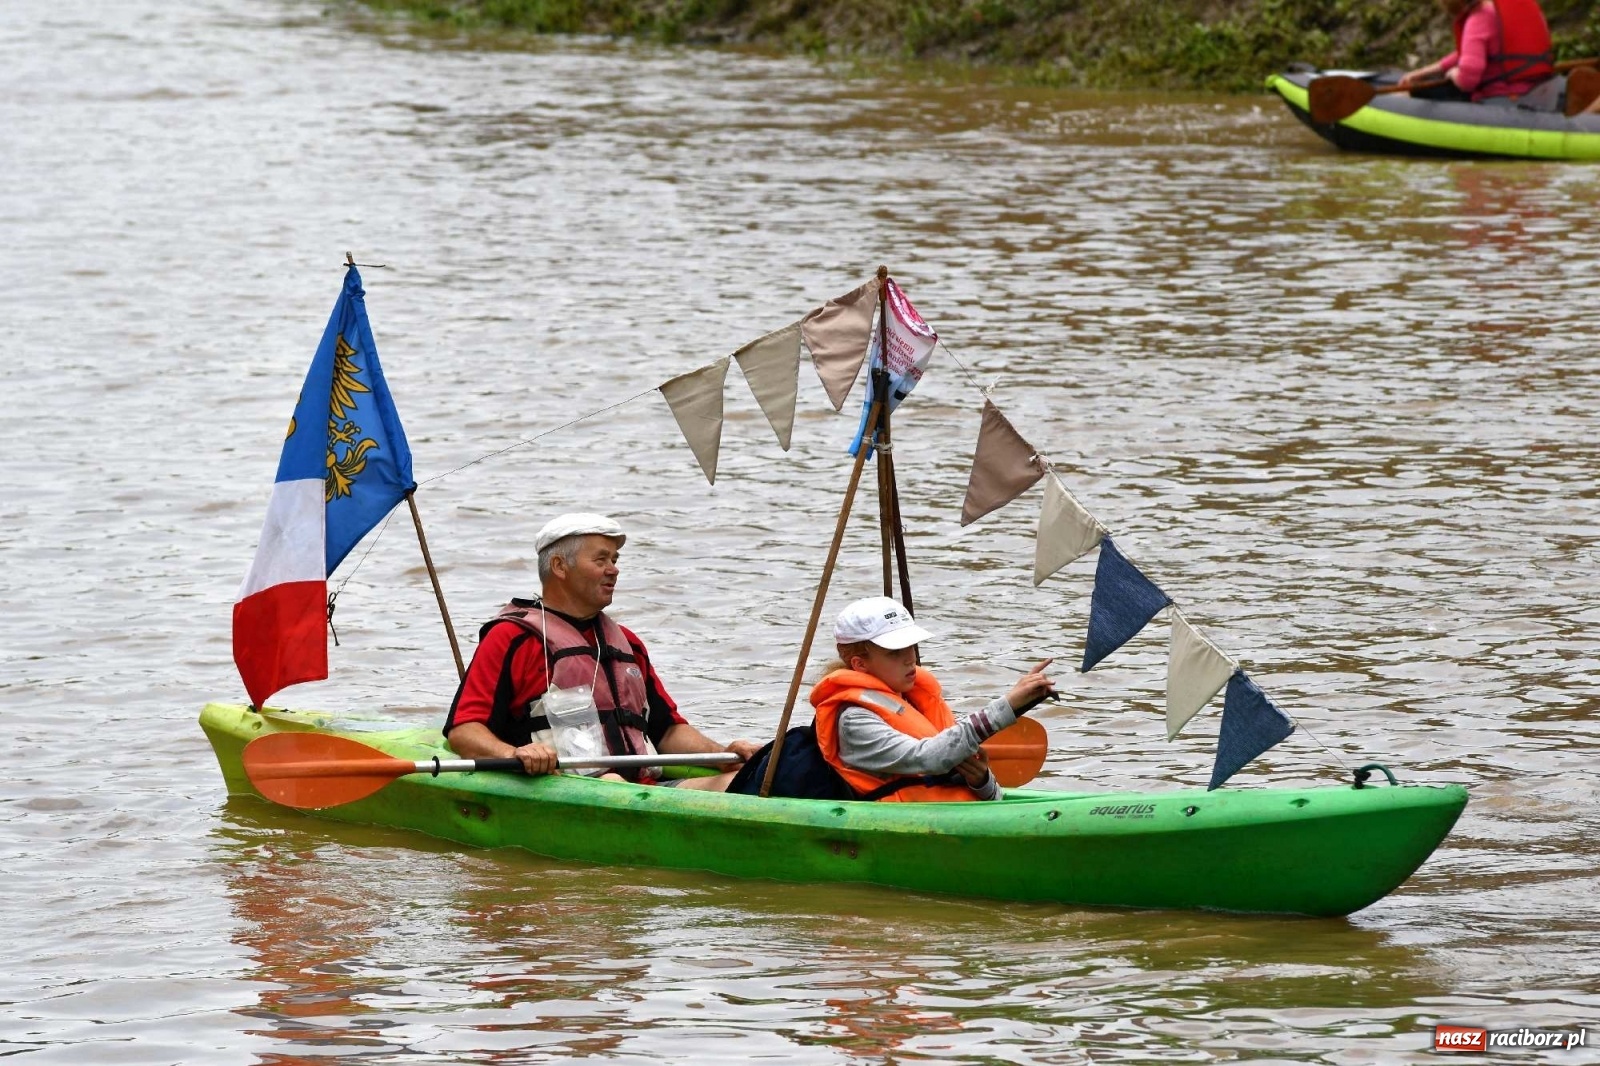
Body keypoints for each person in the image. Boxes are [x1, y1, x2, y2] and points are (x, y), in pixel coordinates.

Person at [443, 513, 762, 790]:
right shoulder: (512, 638)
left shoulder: (627, 642)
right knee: (611, 782)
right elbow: (464, 730)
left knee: (744, 782)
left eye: (615, 560)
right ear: (559, 566)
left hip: (644, 788)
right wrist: (513, 754)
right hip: (568, 787)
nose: (614, 570)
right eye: (601, 560)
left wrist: (726, 754)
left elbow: (668, 731)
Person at [809, 596, 1056, 802]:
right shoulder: (854, 721)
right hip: (898, 830)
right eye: (895, 652)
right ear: (860, 664)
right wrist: (1008, 705)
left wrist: (982, 781)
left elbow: (991, 796)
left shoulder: (912, 702)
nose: (910, 658)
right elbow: (926, 757)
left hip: (947, 819)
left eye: (911, 646)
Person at [1397, 0, 1554, 103]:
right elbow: (1468, 54)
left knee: (1410, 95)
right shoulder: (1504, 9)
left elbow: (1468, 80)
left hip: (1501, 96)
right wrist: (1421, 73)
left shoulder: (1480, 17)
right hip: (1535, 89)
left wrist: (1454, 74)